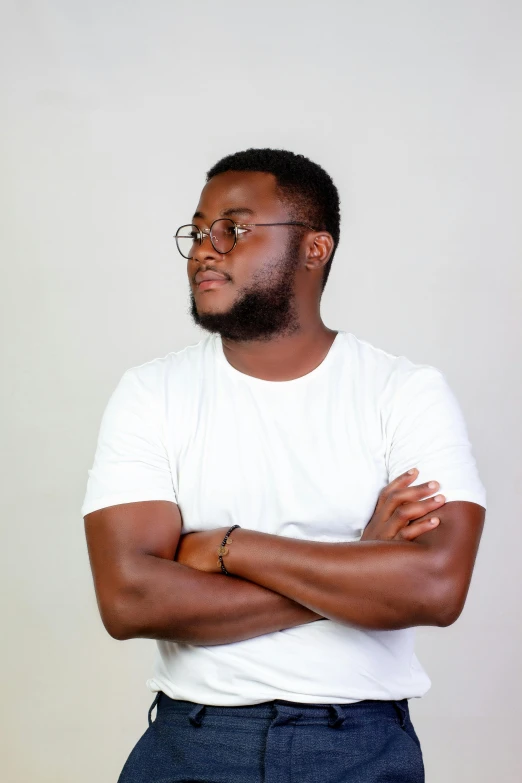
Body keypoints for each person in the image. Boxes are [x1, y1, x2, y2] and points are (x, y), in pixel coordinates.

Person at [82, 148, 486, 782]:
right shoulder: (151, 392)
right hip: (192, 743)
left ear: (314, 249)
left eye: (234, 229)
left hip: (358, 746)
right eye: (198, 231)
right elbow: (130, 600)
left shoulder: (403, 392)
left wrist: (228, 548)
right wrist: (357, 562)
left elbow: (434, 589)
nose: (205, 249)